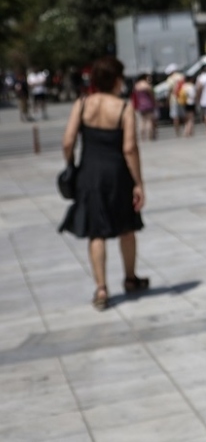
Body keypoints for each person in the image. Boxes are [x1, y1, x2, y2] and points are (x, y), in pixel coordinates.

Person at [58, 56, 148, 311]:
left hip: (89, 175)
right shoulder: (123, 108)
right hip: (117, 175)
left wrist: (71, 165)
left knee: (96, 232)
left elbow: (67, 141)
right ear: (117, 80)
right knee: (127, 229)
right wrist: (138, 182)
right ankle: (130, 278)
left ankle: (101, 288)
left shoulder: (83, 104)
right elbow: (129, 147)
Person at [131, 74, 157, 141]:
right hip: (148, 104)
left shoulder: (137, 85)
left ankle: (142, 137)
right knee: (149, 120)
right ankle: (149, 136)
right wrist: (155, 102)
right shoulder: (147, 85)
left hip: (140, 105)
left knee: (142, 121)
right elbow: (152, 95)